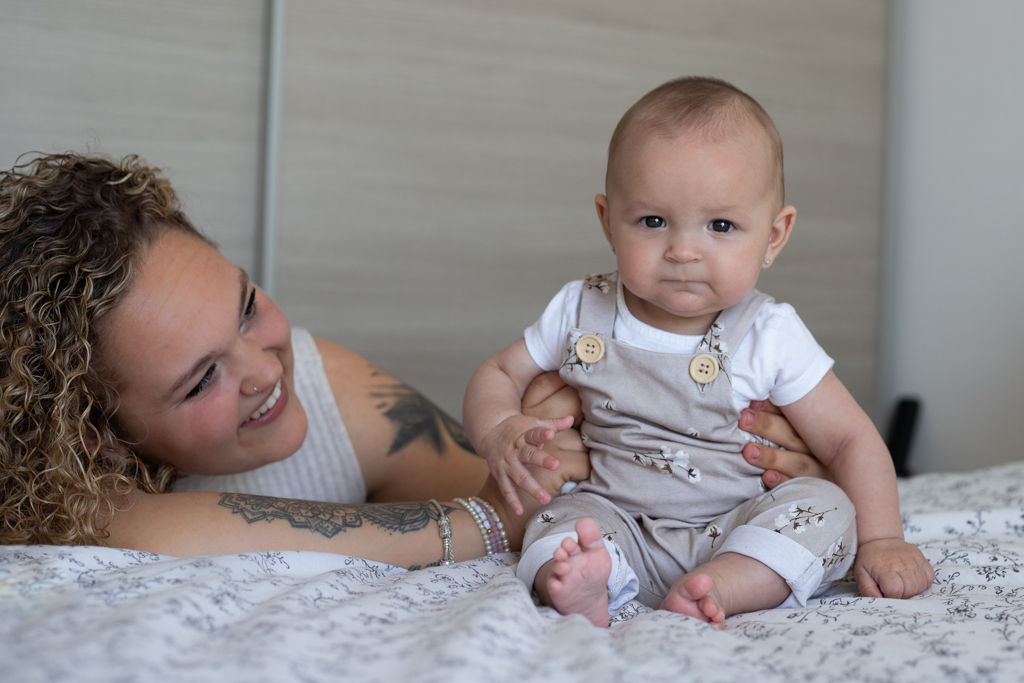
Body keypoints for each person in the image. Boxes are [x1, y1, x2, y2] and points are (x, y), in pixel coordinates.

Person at [0, 152, 813, 568]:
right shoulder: (63, 500)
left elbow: (509, 491)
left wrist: (742, 461)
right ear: (101, 437)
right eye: (201, 377)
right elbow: (157, 534)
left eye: (247, 307)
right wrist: (492, 515)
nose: (263, 368)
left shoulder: (322, 383)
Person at [463, 77, 934, 628]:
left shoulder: (769, 333)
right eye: (653, 221)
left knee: (829, 508)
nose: (684, 250)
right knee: (558, 521)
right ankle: (590, 580)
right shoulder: (579, 308)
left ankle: (726, 584)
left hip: (738, 523)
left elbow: (852, 439)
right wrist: (498, 429)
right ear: (607, 221)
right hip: (615, 518)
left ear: (774, 236)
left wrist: (883, 539)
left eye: (721, 225)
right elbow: (499, 371)